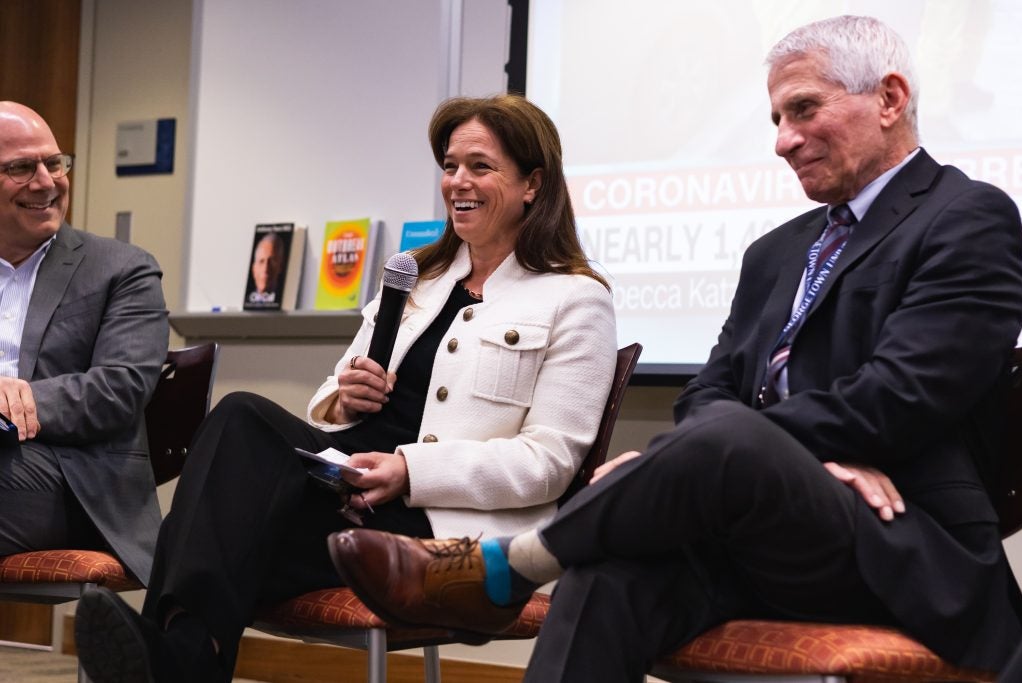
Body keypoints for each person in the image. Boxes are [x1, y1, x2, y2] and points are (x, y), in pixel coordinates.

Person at [327, 15, 1022, 681]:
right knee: (608, 574)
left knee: (735, 440)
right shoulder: (774, 253)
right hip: (751, 537)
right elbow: (705, 398)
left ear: (890, 98)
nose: (783, 139)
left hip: (898, 539)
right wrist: (754, 454)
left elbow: (903, 398)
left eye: (804, 110)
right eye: (777, 119)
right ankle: (524, 567)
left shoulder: (968, 217)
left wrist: (765, 451)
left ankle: (508, 567)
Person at [73, 94, 617, 683]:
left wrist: (410, 470)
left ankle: (175, 662)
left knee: (208, 525)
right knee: (239, 427)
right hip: (345, 492)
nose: (458, 181)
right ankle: (179, 665)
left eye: (480, 167)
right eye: (450, 165)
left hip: (435, 530)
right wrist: (344, 395)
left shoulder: (574, 298)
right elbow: (333, 398)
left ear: (532, 184)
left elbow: (550, 462)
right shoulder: (417, 275)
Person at [0, 101, 169, 584]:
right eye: (20, 168)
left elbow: (121, 388)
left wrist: (18, 396)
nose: (46, 182)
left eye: (53, 163)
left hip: (75, 479)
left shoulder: (122, 268)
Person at [246, 232, 285, 304]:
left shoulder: (285, 300)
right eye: (261, 261)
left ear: (280, 267)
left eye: (272, 262)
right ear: (254, 269)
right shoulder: (247, 301)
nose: (266, 269)